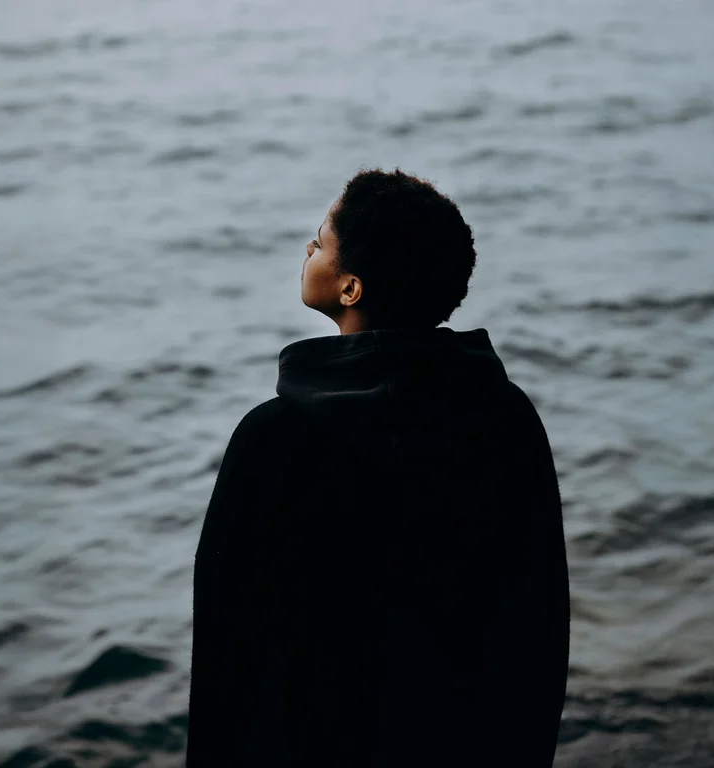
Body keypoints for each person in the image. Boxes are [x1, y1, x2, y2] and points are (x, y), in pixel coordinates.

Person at [185, 167, 570, 767]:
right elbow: (541, 618)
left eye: (321, 240)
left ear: (350, 289)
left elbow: (225, 646)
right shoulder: (507, 416)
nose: (309, 248)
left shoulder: (272, 439)